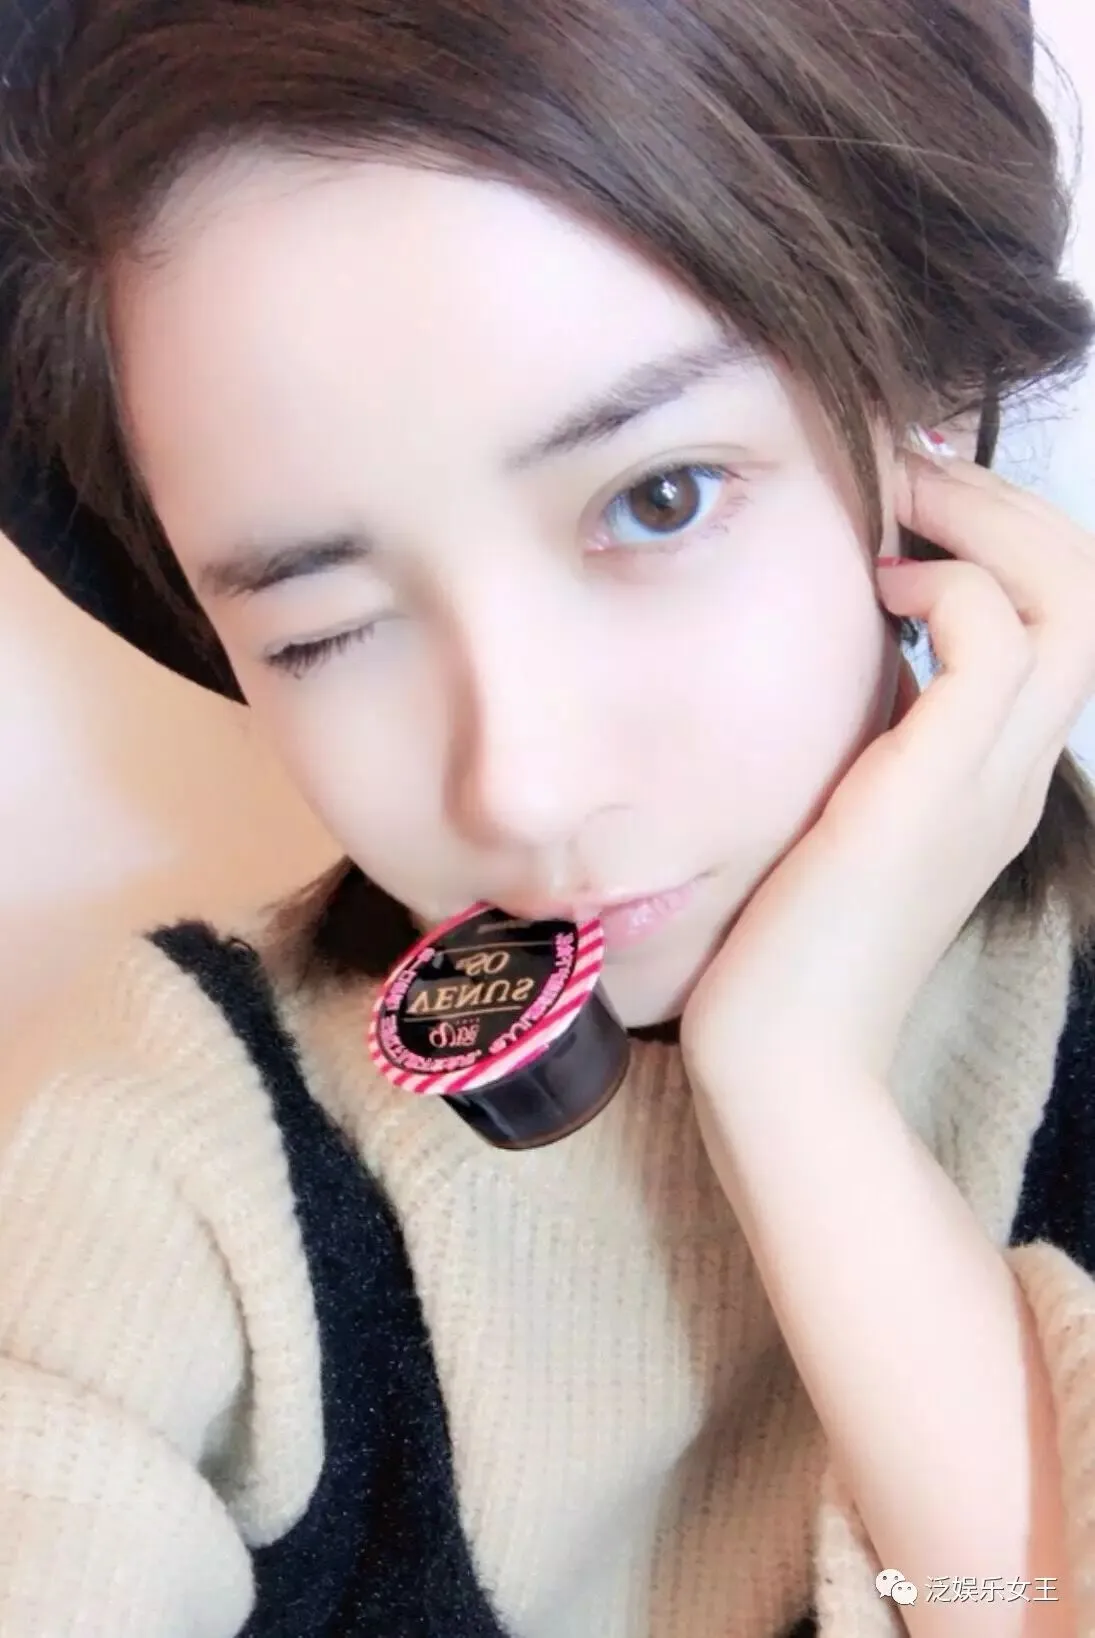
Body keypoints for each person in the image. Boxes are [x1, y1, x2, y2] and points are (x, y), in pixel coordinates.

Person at [1, 0, 1094, 1633]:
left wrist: (796, 1091)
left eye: (657, 498)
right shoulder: (166, 1162)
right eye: (322, 629)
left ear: (916, 417)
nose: (515, 783)